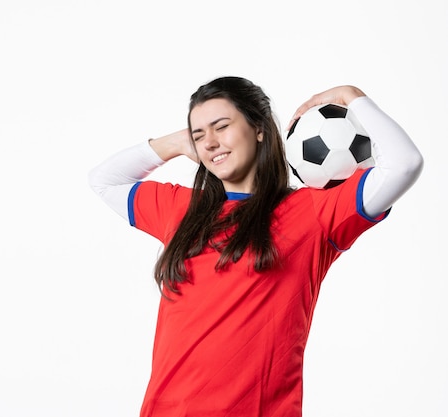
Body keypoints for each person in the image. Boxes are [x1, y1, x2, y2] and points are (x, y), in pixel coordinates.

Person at [88, 76, 423, 417]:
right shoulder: (182, 209)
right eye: (199, 134)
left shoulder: (313, 213)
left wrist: (350, 96)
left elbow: (404, 164)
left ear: (259, 128)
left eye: (221, 127)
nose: (210, 142)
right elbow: (104, 180)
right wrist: (176, 143)